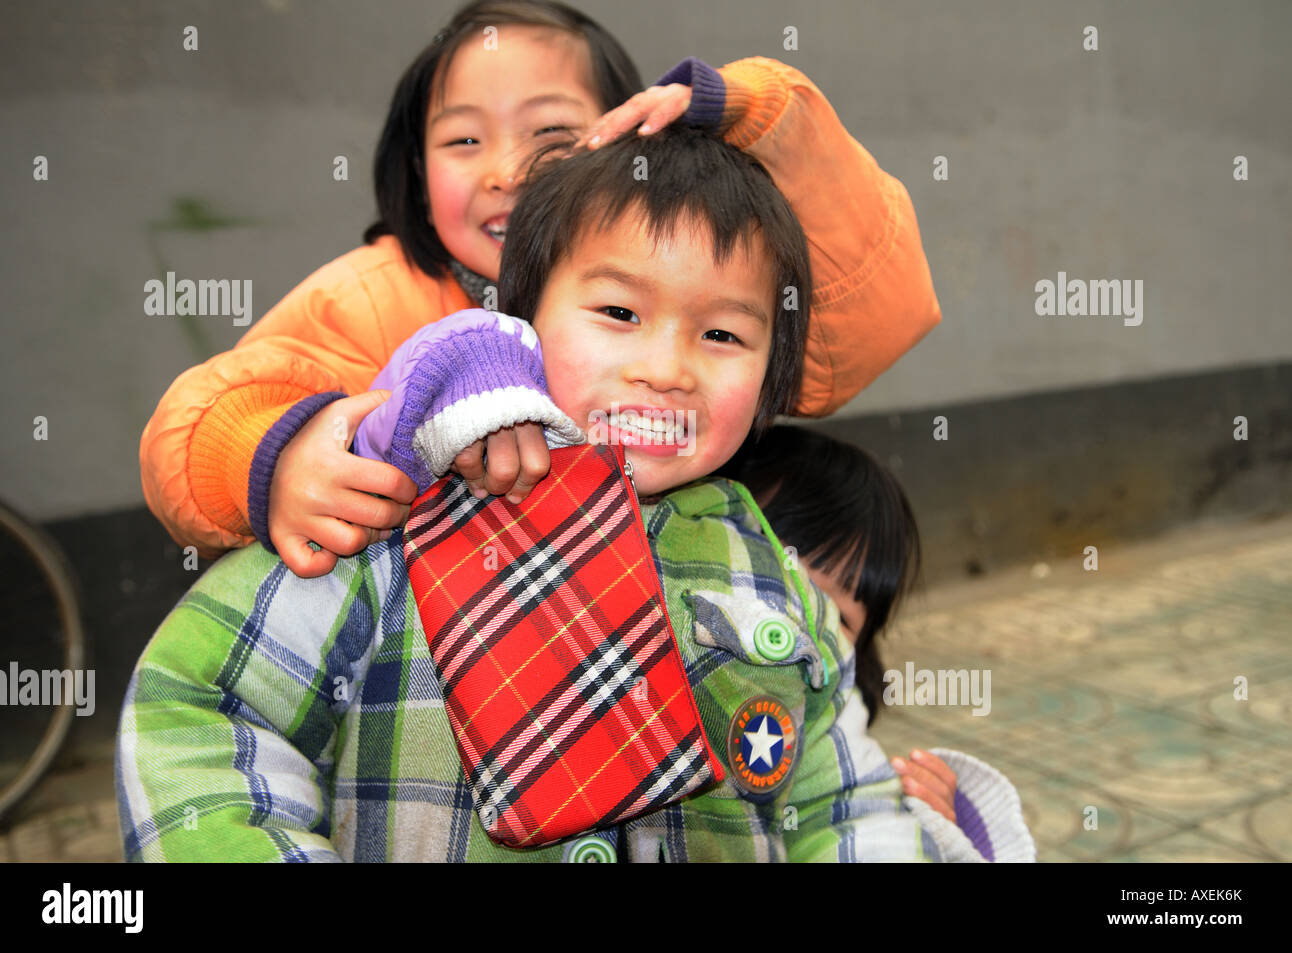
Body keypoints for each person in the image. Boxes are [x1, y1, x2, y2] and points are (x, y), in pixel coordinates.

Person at [116, 125, 981, 862]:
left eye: (722, 333)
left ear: (770, 376)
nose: (666, 369)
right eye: (618, 314)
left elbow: (840, 805)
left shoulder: (769, 571)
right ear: (521, 319)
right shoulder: (389, 520)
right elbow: (200, 712)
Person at [137, 0, 941, 578]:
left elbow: (875, 316)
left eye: (552, 136)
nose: (506, 171)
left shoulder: (683, 280)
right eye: (463, 139)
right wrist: (277, 460)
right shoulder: (371, 300)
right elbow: (199, 415)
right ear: (414, 173)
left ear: (630, 135)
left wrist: (756, 114)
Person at [724, 425, 1036, 859]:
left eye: (840, 619)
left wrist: (944, 834)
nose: (806, 628)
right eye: (782, 581)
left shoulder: (834, 756)